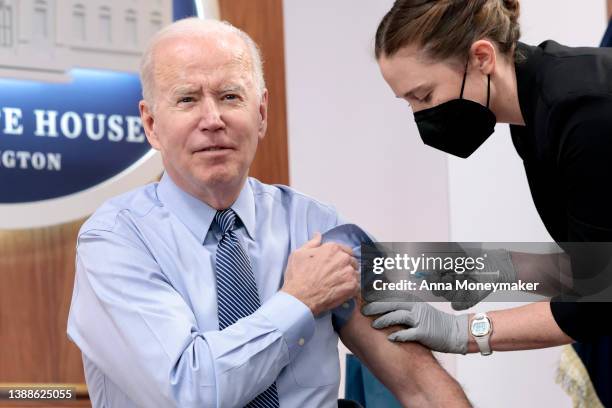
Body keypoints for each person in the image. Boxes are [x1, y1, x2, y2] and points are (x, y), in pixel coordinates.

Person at [66, 17, 471, 408]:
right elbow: (189, 390)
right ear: (151, 124)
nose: (213, 120)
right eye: (187, 99)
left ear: (260, 113)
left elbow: (420, 384)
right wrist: (297, 301)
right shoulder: (115, 240)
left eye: (230, 96)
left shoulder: (320, 227)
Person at [362, 0, 612, 405]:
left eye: (423, 95)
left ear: (482, 57)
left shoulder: (585, 114)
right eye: (408, 102)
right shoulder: (533, 112)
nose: (420, 115)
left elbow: (598, 298)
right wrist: (477, 270)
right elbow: (594, 264)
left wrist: (463, 332)